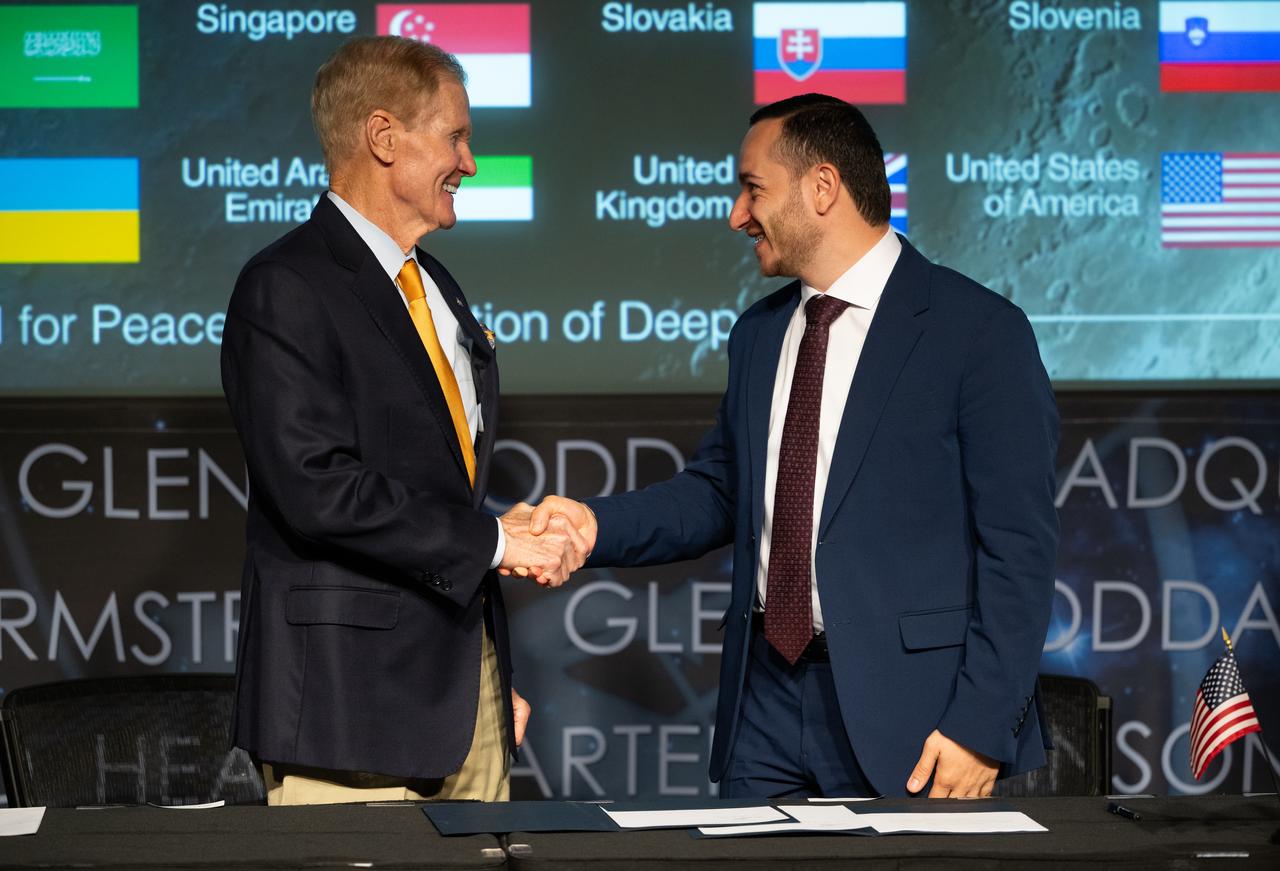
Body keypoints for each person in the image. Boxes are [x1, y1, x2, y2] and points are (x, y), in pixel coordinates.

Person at [531, 94, 1060, 799]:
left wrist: (980, 725)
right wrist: (593, 526)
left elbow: (1019, 548)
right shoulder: (758, 334)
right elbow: (721, 491)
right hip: (763, 708)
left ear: (822, 187)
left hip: (915, 718)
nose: (737, 215)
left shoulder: (979, 331)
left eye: (753, 189)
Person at [220, 36, 586, 806]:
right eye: (456, 137)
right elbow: (317, 488)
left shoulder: (436, 284)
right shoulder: (284, 285)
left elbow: (427, 482)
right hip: (349, 720)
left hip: (465, 709)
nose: (470, 163)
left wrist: (482, 674)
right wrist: (494, 539)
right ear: (384, 137)